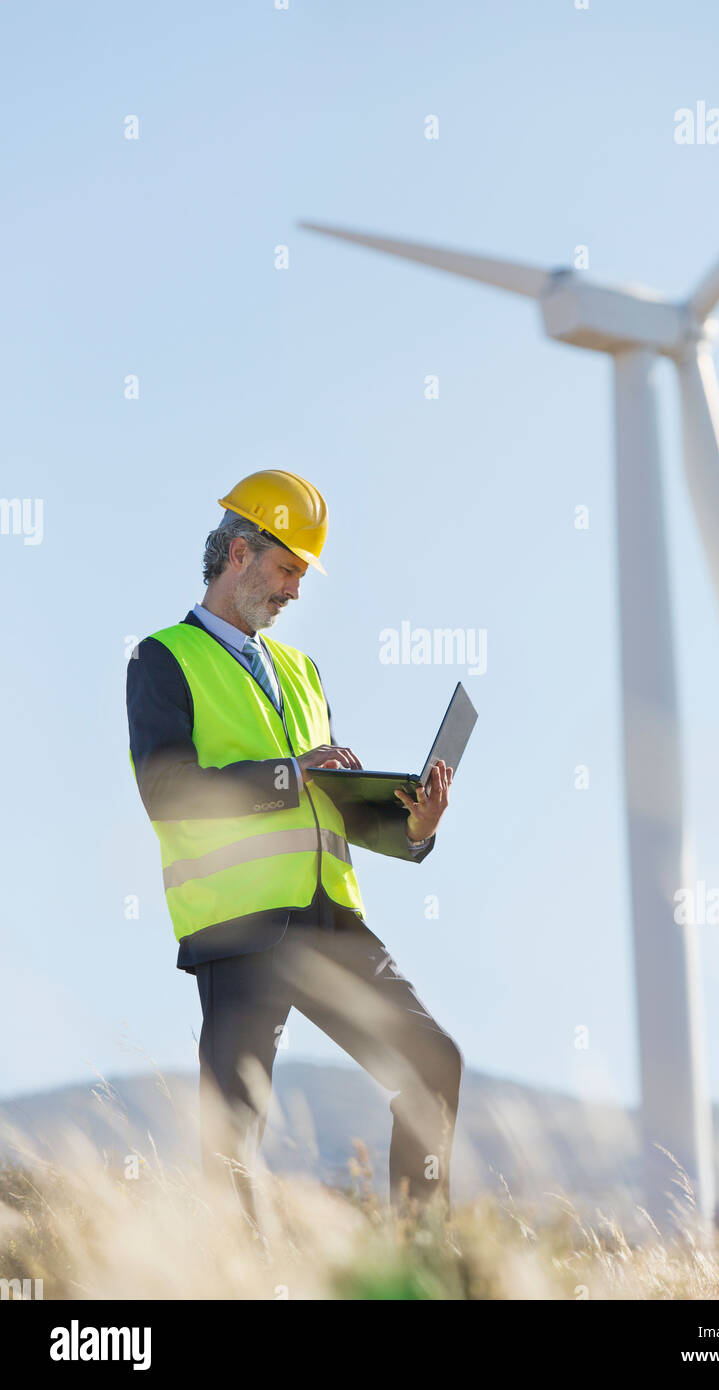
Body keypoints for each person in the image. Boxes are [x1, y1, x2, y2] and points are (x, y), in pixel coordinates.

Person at [126, 470, 461, 1231]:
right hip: (240, 927)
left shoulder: (303, 673)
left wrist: (415, 827)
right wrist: (290, 772)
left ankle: (417, 1263)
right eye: (287, 571)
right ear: (239, 554)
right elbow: (168, 789)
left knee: (433, 1063)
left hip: (330, 917)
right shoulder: (162, 659)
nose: (295, 592)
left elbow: (325, 804)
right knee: (234, 1130)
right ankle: (240, 1279)